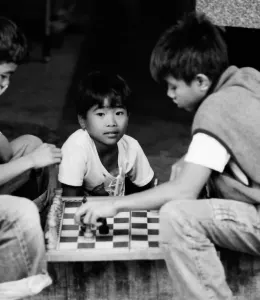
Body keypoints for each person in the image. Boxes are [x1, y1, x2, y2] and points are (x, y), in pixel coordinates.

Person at [74, 12, 260, 300]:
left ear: (200, 81)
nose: (170, 95)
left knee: (177, 216)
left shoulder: (215, 111)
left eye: (174, 86)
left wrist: (115, 205)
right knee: (188, 177)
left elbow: (184, 191)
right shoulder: (246, 82)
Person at [0, 13, 62, 299]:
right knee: (19, 214)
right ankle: (20, 290)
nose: (5, 85)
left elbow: (4, 154)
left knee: (29, 144)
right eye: (3, 75)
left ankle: (29, 238)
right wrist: (31, 161)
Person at [58, 71, 155, 197]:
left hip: (116, 208)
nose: (111, 122)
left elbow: (149, 190)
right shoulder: (76, 148)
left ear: (128, 116)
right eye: (101, 114)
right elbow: (70, 203)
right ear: (82, 120)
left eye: (119, 113)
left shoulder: (131, 147)